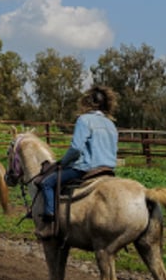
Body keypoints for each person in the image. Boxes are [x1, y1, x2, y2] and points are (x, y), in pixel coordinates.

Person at [36, 85, 119, 240]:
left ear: (90, 102)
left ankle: (49, 223)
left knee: (47, 183)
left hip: (86, 169)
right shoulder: (111, 125)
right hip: (108, 170)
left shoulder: (84, 120)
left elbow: (75, 149)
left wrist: (63, 162)